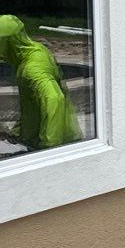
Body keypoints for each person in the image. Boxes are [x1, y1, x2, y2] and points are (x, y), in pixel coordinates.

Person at [0, 14, 81, 152]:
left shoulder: (32, 69)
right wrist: (18, 132)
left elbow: (55, 99)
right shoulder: (37, 50)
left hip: (51, 146)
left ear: (7, 43)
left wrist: (48, 147)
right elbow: (31, 105)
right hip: (50, 138)